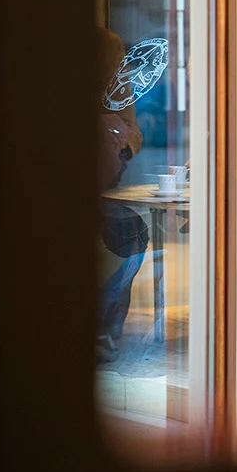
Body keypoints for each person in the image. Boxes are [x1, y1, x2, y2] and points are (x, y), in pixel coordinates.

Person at [97, 28, 148, 364]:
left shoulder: (118, 91)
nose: (123, 67)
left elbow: (136, 133)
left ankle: (109, 328)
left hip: (111, 187)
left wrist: (124, 145)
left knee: (135, 232)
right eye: (117, 61)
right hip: (97, 192)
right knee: (129, 234)